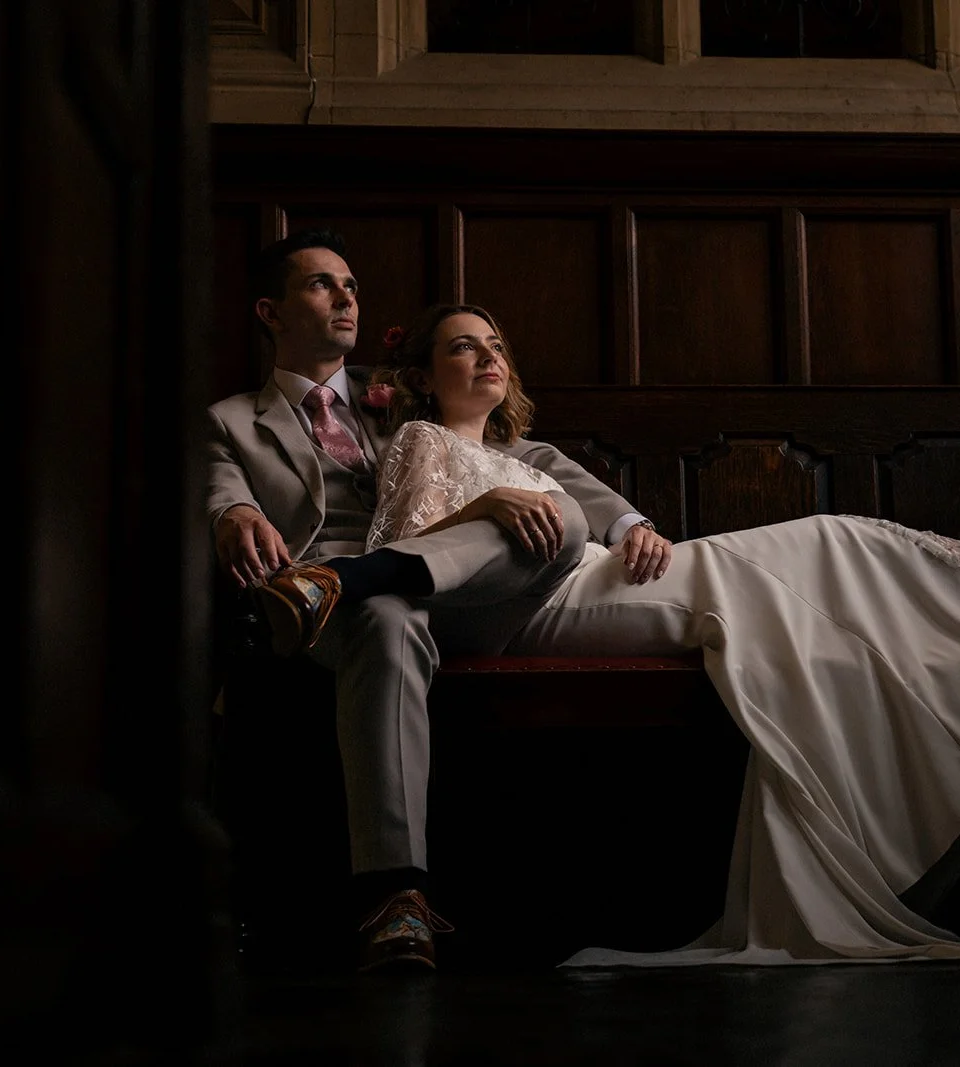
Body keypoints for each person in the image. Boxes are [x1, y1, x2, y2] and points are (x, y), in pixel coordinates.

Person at [345, 301, 960, 966]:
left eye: (495, 343)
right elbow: (413, 551)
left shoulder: (535, 450)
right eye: (463, 347)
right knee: (830, 543)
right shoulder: (420, 439)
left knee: (845, 539)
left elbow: (600, 503)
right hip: (528, 609)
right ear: (422, 375)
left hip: (604, 572)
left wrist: (635, 523)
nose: (488, 356)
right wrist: (496, 507)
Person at [203, 230, 676, 972]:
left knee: (560, 520)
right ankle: (397, 897)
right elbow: (218, 492)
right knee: (385, 618)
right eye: (323, 285)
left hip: (460, 594)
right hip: (331, 614)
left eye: (352, 284)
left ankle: (347, 578)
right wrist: (232, 515)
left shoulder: (402, 392)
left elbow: (523, 454)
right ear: (271, 310)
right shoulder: (229, 419)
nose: (347, 296)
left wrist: (626, 520)